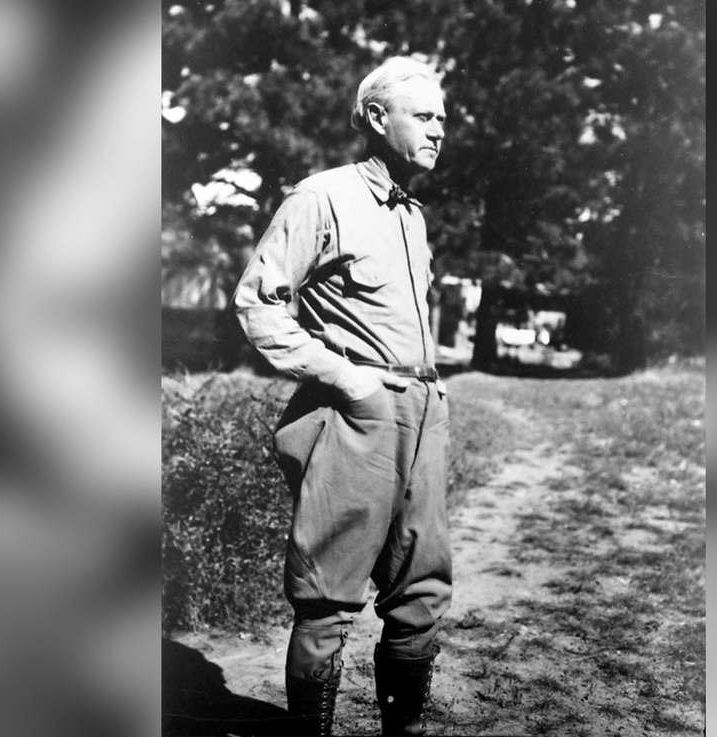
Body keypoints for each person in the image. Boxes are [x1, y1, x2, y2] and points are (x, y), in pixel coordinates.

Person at [233, 56, 450, 736]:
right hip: (358, 412)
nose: (440, 129)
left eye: (443, 116)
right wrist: (347, 377)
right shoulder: (322, 197)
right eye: (425, 115)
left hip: (421, 410)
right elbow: (258, 304)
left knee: (421, 591)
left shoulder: (412, 214)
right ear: (377, 118)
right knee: (328, 597)